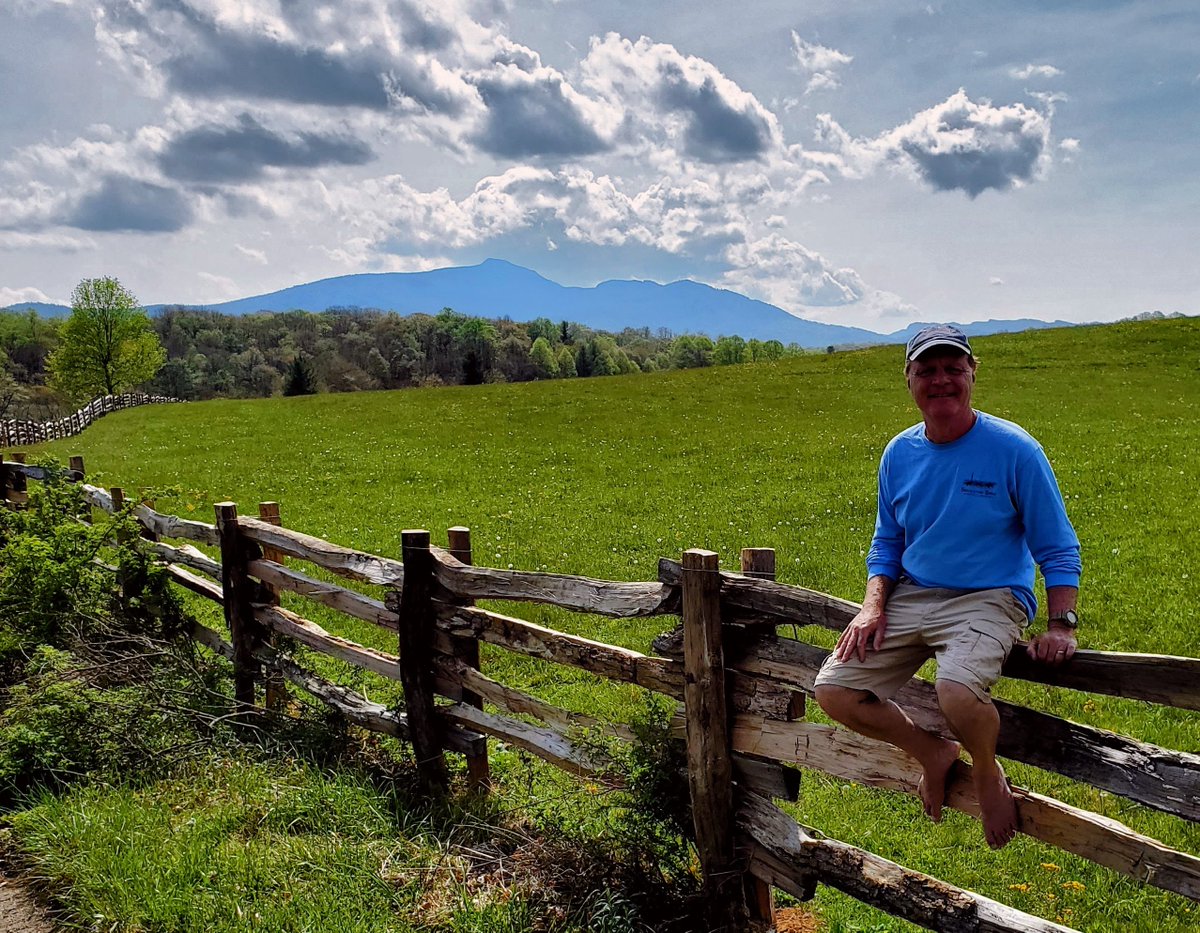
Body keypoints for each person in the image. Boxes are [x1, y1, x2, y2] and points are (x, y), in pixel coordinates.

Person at [813, 324, 1081, 849]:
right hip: (914, 593)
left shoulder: (1014, 449)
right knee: (834, 692)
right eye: (927, 370)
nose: (941, 380)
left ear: (972, 374)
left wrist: (1061, 623)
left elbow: (1057, 543)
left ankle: (986, 768)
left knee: (956, 692)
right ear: (909, 380)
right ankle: (932, 751)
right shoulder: (899, 453)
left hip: (990, 595)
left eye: (952, 369)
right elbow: (887, 541)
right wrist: (872, 607)